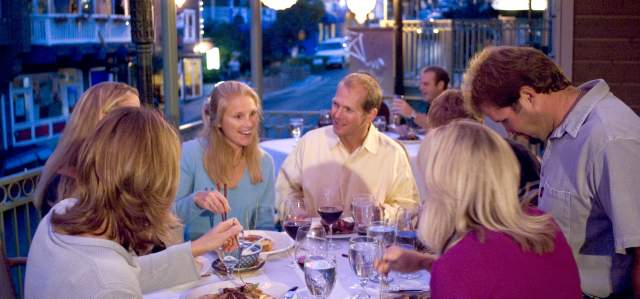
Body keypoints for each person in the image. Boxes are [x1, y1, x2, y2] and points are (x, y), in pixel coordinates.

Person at [463, 45, 640, 298]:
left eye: (504, 121)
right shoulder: (562, 129)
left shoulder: (610, 138)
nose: (509, 132)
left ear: (528, 96)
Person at [24, 107, 243, 298]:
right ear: (157, 185)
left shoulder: (61, 213)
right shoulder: (111, 288)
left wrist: (199, 246)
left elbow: (128, 271)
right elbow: (114, 282)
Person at [376, 120, 581, 299]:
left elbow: (474, 273)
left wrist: (441, 269)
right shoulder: (543, 224)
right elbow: (505, 277)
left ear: (444, 188)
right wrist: (426, 263)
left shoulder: (460, 265)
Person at [276, 72, 418, 219]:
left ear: (371, 115)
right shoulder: (309, 142)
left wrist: (378, 214)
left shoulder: (392, 154)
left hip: (368, 240)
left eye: (348, 109)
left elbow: (408, 207)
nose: (337, 115)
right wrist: (293, 210)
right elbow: (284, 189)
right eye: (335, 105)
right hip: (315, 239)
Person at [175, 81, 276, 241]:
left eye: (253, 114)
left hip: (247, 259)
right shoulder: (190, 154)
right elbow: (169, 217)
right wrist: (195, 201)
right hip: (201, 260)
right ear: (218, 121)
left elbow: (265, 225)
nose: (249, 123)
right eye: (238, 116)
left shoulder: (265, 162)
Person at [33, 82, 141, 216]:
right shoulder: (65, 186)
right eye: (130, 117)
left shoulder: (124, 167)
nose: (139, 124)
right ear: (100, 120)